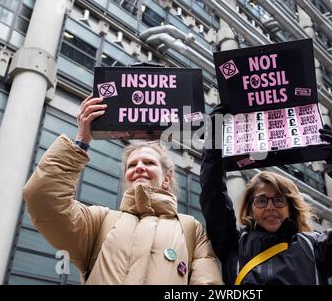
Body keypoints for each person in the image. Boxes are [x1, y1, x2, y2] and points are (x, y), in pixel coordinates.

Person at [23, 96, 223, 285]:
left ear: (166, 177)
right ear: (126, 176)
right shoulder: (98, 222)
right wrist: (82, 140)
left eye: (149, 162)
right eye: (132, 164)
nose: (139, 167)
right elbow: (44, 200)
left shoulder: (191, 230)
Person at [200, 106, 332, 285]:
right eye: (261, 200)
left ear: (290, 206)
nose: (270, 207)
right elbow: (213, 193)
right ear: (250, 208)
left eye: (279, 200)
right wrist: (214, 135)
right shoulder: (233, 244)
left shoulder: (317, 247)